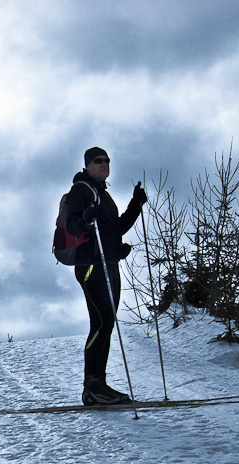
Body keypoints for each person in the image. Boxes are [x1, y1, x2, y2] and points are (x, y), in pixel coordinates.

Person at [62, 147, 147, 405]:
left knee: (106, 324)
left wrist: (136, 204)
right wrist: (85, 221)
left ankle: (97, 386)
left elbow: (116, 228)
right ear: (87, 165)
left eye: (107, 160)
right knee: (102, 322)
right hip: (90, 264)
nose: (104, 164)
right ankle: (93, 386)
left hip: (108, 263)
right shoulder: (82, 190)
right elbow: (70, 222)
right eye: (98, 161)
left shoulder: (103, 195)